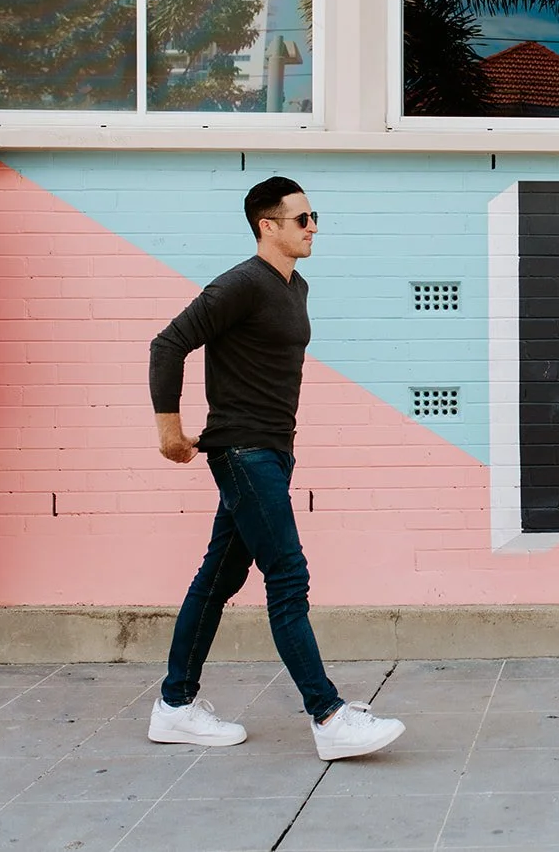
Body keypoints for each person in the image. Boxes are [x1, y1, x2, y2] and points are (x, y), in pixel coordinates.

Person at [146, 176, 405, 761]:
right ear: (267, 226)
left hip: (272, 451)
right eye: (302, 219)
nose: (313, 228)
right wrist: (170, 432)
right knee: (287, 576)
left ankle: (175, 706)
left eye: (316, 218)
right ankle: (328, 715)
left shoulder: (295, 286)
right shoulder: (241, 284)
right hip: (243, 453)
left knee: (219, 578)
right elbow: (167, 344)